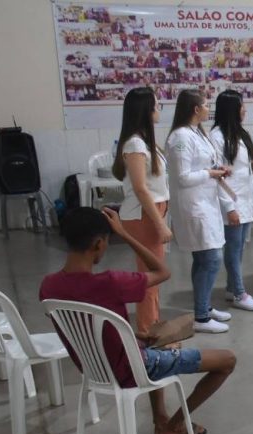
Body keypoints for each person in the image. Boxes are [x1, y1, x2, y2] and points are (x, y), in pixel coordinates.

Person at [40, 207, 236, 434]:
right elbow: (162, 272)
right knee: (227, 360)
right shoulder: (112, 282)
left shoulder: (48, 287)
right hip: (131, 368)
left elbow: (85, 328)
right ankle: (174, 425)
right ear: (99, 244)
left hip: (94, 368)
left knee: (162, 343)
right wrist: (125, 233)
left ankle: (161, 420)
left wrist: (132, 336)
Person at [166, 89, 237, 334]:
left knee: (204, 258)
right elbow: (183, 177)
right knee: (211, 258)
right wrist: (211, 173)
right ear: (196, 109)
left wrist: (217, 168)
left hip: (206, 202)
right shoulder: (180, 137)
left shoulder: (198, 133)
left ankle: (203, 306)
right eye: (206, 105)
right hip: (193, 206)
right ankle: (201, 317)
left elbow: (202, 163)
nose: (209, 109)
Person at [112, 87, 170, 339]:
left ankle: (152, 326)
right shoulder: (135, 143)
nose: (159, 109)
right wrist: (160, 224)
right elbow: (139, 188)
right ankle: (147, 333)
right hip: (144, 215)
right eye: (157, 104)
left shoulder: (145, 141)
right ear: (146, 110)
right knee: (150, 278)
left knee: (154, 275)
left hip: (153, 211)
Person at [209, 90, 253, 311]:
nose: (245, 109)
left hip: (245, 199)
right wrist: (229, 207)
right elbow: (217, 175)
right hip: (230, 201)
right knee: (233, 248)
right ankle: (240, 293)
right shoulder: (217, 136)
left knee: (238, 248)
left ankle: (232, 288)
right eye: (241, 105)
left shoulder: (239, 133)